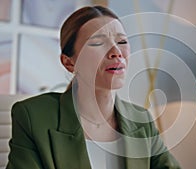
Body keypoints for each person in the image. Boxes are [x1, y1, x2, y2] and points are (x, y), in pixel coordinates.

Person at [6, 5, 181, 169]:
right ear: (69, 62)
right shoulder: (33, 116)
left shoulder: (141, 120)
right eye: (98, 43)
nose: (116, 52)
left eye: (122, 42)